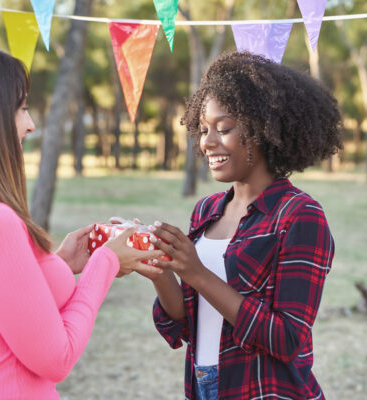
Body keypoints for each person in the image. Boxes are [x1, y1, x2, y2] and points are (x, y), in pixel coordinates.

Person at [0, 43, 163, 399]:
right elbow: (57, 358)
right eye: (21, 108)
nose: (31, 124)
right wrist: (107, 262)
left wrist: (64, 263)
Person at [144, 51, 343, 399]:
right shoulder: (206, 211)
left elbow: (287, 338)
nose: (207, 142)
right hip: (204, 384)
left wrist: (197, 274)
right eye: (203, 129)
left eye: (224, 129)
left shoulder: (299, 215)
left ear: (264, 130)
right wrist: (161, 268)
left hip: (264, 390)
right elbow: (188, 322)